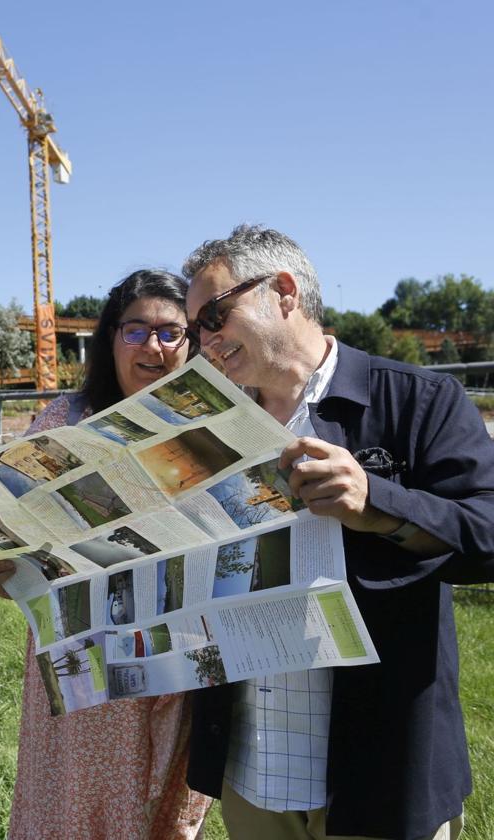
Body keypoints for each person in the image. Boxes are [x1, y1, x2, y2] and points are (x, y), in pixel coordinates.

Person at [182, 224, 494, 840]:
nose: (206, 341)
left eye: (215, 315)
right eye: (197, 330)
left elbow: (488, 535)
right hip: (254, 766)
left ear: (285, 292)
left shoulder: (419, 400)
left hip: (377, 769)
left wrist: (378, 503)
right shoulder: (210, 425)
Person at [0, 269, 214, 840]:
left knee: (166, 816)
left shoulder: (214, 424)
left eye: (171, 332)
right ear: (110, 339)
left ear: (191, 342)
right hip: (88, 659)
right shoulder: (65, 421)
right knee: (76, 809)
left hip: (182, 653)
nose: (154, 346)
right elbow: (6, 526)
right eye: (136, 330)